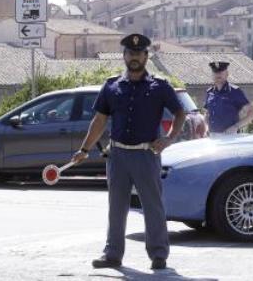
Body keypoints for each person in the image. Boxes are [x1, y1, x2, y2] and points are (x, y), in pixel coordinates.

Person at [71, 33, 186, 271]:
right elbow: (99, 120)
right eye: (130, 53)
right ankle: (112, 254)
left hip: (146, 155)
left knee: (153, 206)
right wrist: (84, 149)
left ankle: (158, 254)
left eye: (139, 53)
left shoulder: (160, 86)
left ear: (146, 56)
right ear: (124, 56)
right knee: (117, 207)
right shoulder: (112, 86)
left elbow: (180, 113)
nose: (134, 57)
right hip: (118, 156)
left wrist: (169, 138)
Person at [204, 61, 253, 135]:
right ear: (212, 75)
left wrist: (236, 127)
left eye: (221, 72)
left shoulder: (234, 91)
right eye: (216, 73)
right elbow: (207, 113)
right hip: (213, 135)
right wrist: (206, 127)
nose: (218, 75)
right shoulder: (209, 92)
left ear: (227, 74)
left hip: (230, 136)